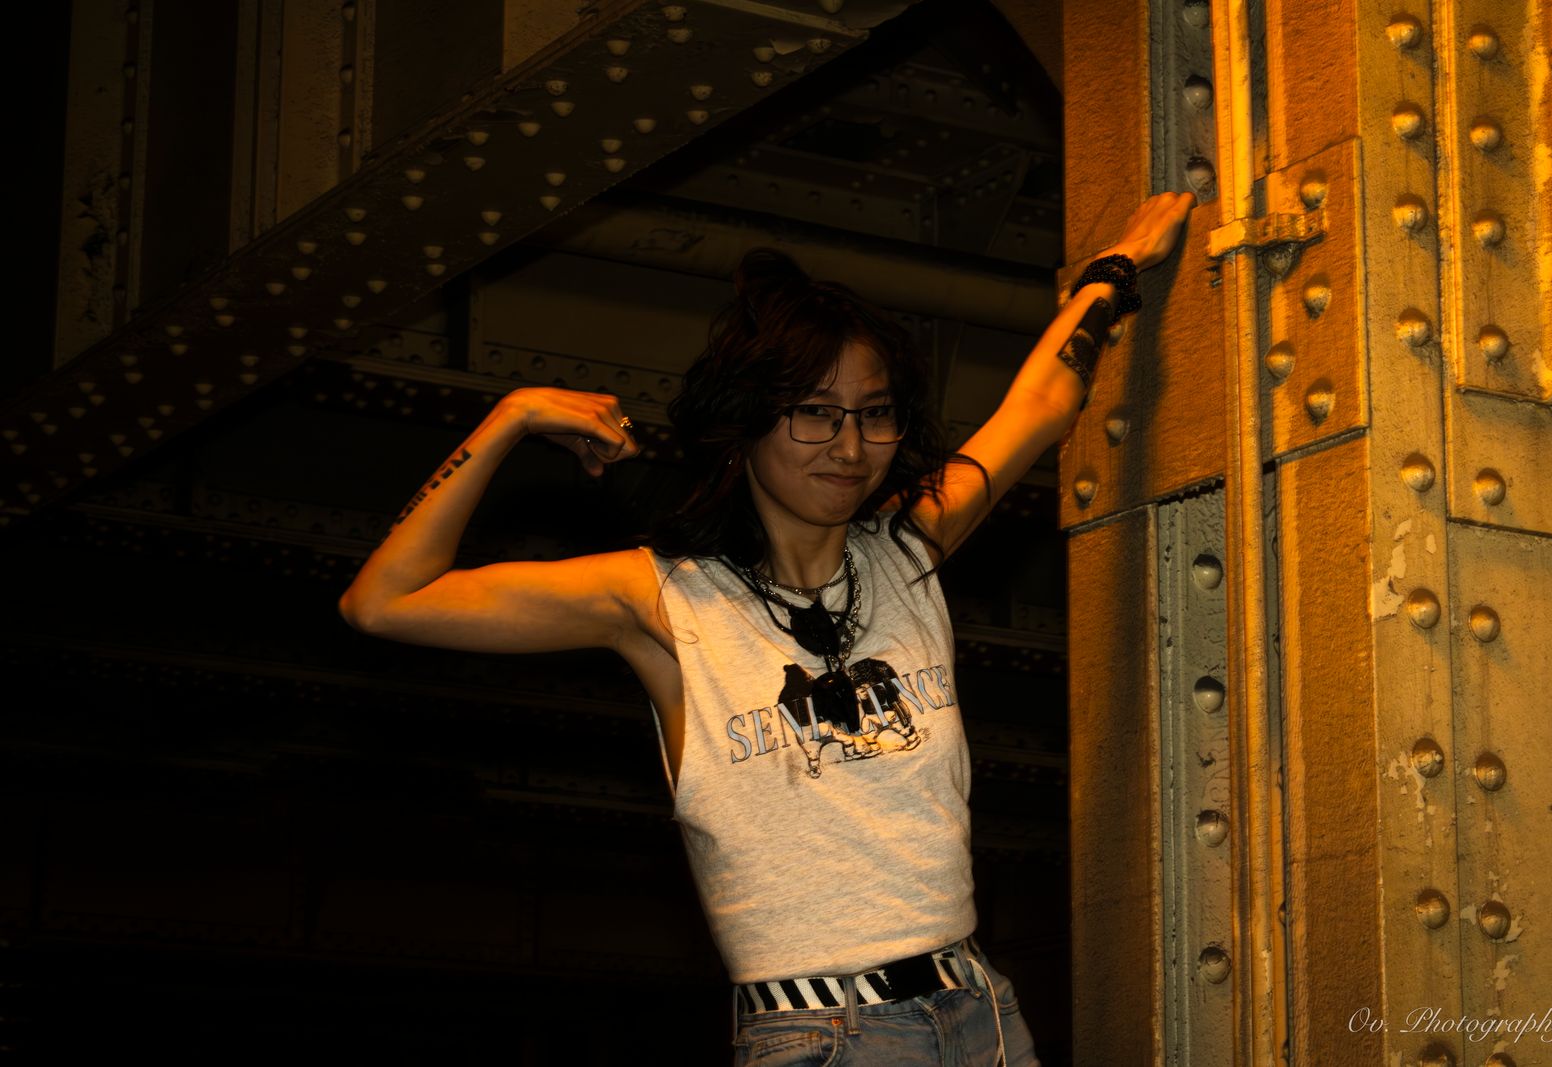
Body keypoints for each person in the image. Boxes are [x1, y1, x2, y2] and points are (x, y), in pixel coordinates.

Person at [339, 190, 1195, 1065]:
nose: (850, 447)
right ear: (746, 420)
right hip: (825, 1035)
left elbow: (1043, 402)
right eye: (815, 412)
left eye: (875, 412)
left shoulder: (906, 550)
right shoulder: (665, 600)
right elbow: (384, 601)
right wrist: (511, 417)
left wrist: (1117, 266)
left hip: (982, 1013)